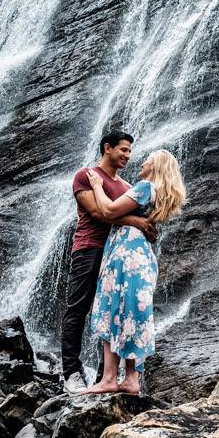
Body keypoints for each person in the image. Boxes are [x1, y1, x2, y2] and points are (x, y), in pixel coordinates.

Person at [79, 149, 187, 394]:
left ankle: (108, 379)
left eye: (148, 157)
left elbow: (108, 212)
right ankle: (131, 379)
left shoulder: (145, 187)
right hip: (143, 256)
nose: (142, 160)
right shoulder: (161, 194)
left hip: (125, 253)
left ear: (157, 165)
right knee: (132, 313)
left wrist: (97, 185)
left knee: (112, 307)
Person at [60, 130, 153, 387]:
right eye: (123, 150)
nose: (127, 156)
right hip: (89, 248)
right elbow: (99, 212)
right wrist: (136, 220)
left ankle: (105, 377)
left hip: (119, 254)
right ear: (107, 148)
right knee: (78, 308)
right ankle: (71, 372)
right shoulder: (87, 176)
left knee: (113, 311)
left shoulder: (126, 187)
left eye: (130, 152)